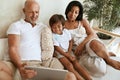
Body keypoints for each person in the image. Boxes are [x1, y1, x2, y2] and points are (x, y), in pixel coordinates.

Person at [7, 0, 77, 80]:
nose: (34, 15)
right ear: (24, 11)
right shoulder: (16, 26)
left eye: (37, 12)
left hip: (44, 63)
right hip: (26, 63)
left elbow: (59, 33)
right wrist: (20, 66)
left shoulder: (43, 27)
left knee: (71, 77)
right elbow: (13, 48)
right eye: (31, 12)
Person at [64, 0, 120, 77]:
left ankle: (109, 60)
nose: (73, 14)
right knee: (100, 70)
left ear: (79, 13)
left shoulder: (82, 21)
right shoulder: (62, 24)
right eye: (71, 11)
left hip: (88, 42)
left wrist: (82, 44)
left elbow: (92, 34)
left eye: (76, 12)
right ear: (67, 10)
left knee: (95, 44)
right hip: (78, 51)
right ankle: (104, 54)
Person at [49, 14, 92, 80]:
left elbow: (70, 41)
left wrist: (69, 52)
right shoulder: (53, 35)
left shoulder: (66, 32)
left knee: (76, 63)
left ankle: (89, 78)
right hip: (60, 54)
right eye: (54, 27)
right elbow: (57, 48)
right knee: (69, 65)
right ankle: (80, 79)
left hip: (69, 51)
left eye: (59, 26)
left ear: (63, 26)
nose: (57, 29)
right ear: (51, 27)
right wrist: (66, 55)